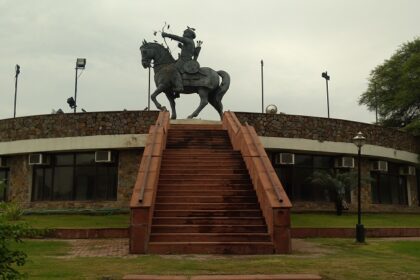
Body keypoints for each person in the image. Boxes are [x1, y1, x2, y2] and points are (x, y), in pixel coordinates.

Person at [162, 27, 197, 95]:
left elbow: (178, 38)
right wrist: (181, 47)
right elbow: (189, 51)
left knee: (173, 69)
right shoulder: (191, 42)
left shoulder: (188, 40)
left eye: (185, 32)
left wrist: (166, 35)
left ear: (189, 34)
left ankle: (179, 87)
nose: (183, 34)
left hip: (184, 60)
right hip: (185, 59)